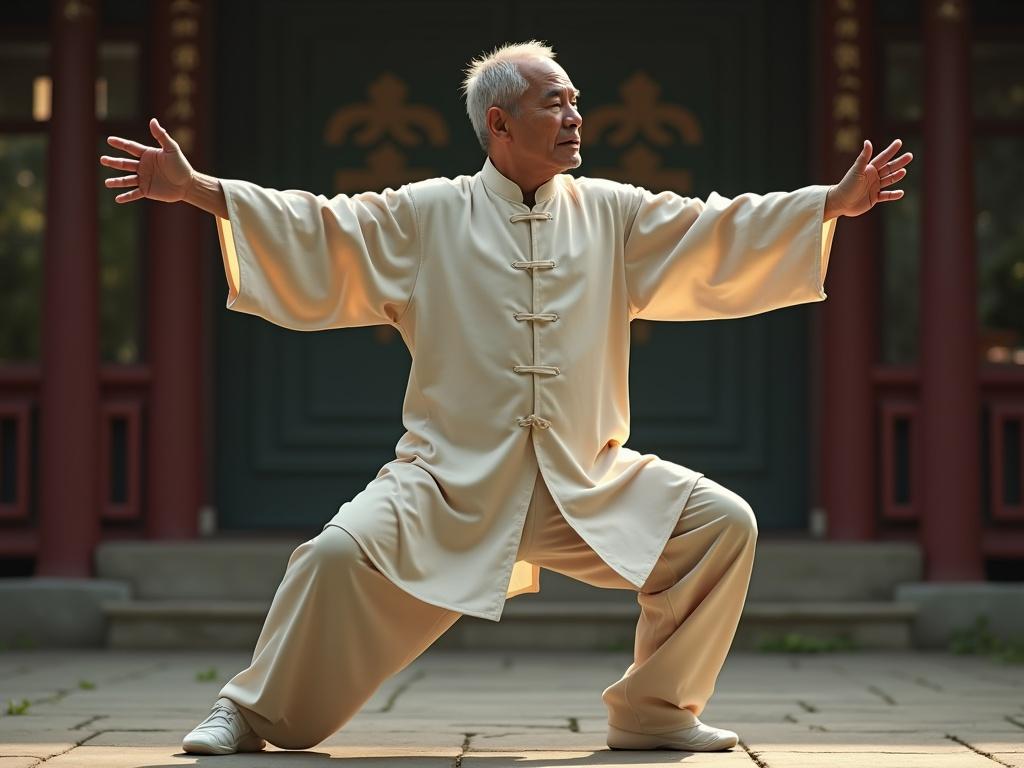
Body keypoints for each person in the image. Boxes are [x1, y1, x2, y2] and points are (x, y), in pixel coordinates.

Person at [100, 40, 911, 756]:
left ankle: (656, 712)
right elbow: (322, 228)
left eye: (576, 101)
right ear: (499, 122)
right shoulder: (427, 213)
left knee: (722, 525)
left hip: (584, 479)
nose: (574, 115)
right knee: (335, 555)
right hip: (447, 479)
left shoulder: (614, 214)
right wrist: (199, 189)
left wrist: (829, 205)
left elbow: (716, 228)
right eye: (553, 102)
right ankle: (245, 712)